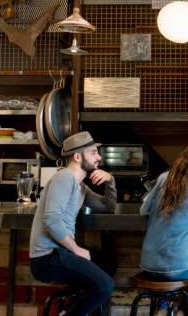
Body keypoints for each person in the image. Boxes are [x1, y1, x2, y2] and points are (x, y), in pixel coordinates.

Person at [29, 131, 117, 316]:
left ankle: (70, 310)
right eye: (93, 152)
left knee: (107, 264)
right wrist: (77, 250)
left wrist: (111, 181)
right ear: (77, 157)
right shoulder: (65, 177)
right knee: (105, 285)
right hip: (48, 258)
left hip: (60, 252)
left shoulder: (80, 186)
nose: (98, 157)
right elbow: (52, 220)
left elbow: (107, 207)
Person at [140, 138, 188, 316]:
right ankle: (186, 310)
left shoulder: (163, 178)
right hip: (181, 267)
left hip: (149, 265)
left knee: (172, 266)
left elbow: (144, 209)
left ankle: (162, 307)